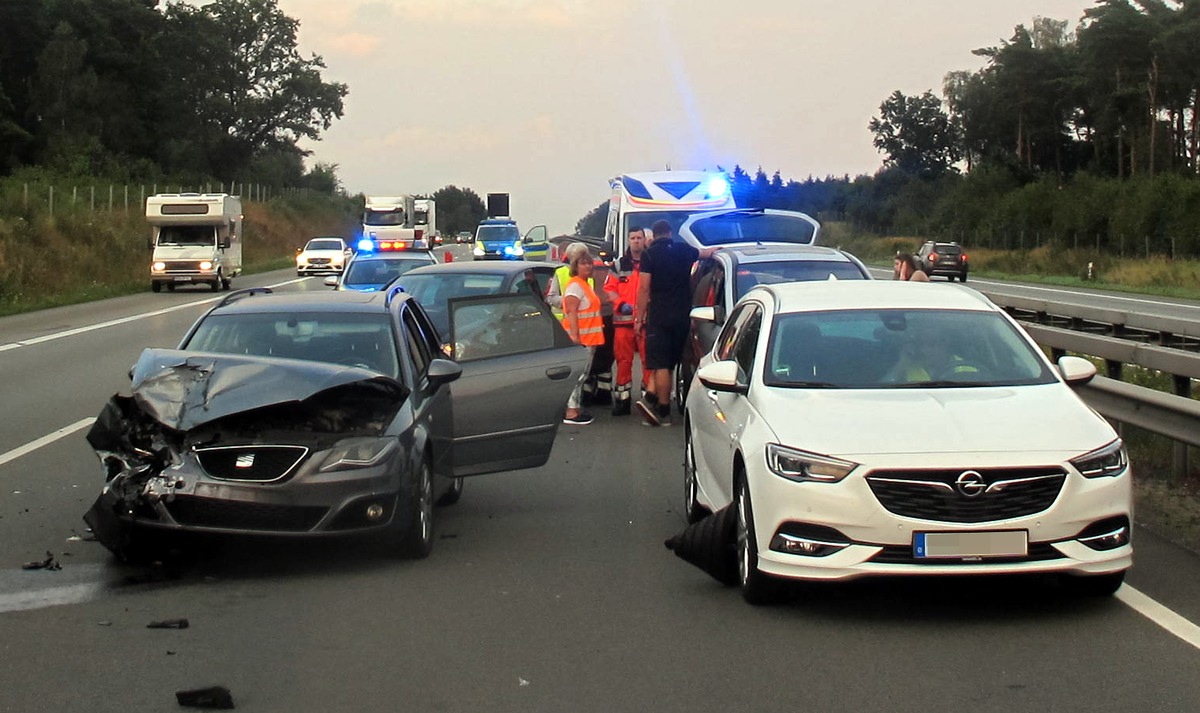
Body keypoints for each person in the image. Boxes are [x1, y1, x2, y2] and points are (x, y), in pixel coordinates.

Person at [634, 220, 716, 426]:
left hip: (659, 315)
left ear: (654, 235)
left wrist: (639, 317)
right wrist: (724, 248)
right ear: (670, 233)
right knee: (670, 361)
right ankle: (650, 397)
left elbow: (644, 288)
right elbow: (706, 253)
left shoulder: (649, 255)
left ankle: (662, 411)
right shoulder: (684, 250)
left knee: (660, 363)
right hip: (682, 315)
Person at [561, 247, 605, 425]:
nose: (588, 266)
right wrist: (575, 336)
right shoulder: (575, 286)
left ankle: (575, 408)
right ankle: (571, 412)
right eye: (583, 263)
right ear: (575, 266)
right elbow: (571, 311)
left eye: (589, 263)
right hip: (581, 340)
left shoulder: (585, 284)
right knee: (578, 376)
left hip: (589, 339)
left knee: (583, 375)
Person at [611, 227, 649, 416]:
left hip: (645, 322)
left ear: (644, 240)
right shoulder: (618, 265)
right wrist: (620, 303)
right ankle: (622, 401)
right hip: (623, 323)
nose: (636, 241)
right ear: (628, 241)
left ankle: (649, 400)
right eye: (632, 238)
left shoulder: (650, 263)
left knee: (647, 361)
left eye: (639, 238)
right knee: (623, 362)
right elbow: (609, 289)